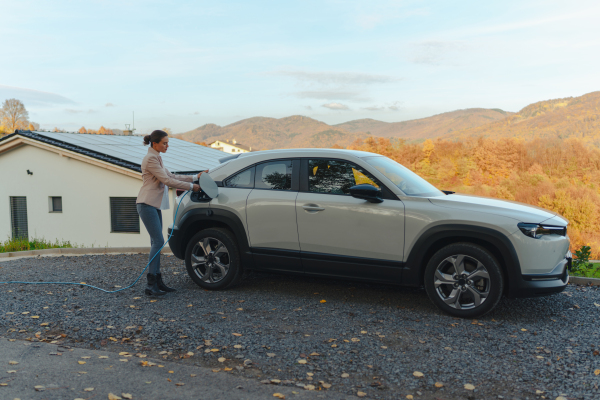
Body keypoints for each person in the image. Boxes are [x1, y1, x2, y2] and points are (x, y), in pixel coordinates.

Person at [136, 129, 206, 296]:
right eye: (164, 143)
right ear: (155, 143)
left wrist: (196, 177)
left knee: (157, 242)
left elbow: (172, 175)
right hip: (146, 203)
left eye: (168, 143)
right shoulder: (150, 159)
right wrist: (192, 186)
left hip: (153, 204)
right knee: (158, 242)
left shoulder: (157, 157)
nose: (167, 146)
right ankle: (151, 284)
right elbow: (167, 180)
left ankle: (157, 281)